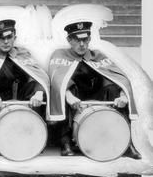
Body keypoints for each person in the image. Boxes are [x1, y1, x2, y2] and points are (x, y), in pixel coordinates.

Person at [48, 21, 140, 158]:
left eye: (85, 39)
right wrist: (68, 95)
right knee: (62, 91)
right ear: (69, 40)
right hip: (75, 98)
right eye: (77, 40)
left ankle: (126, 141)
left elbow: (118, 77)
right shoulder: (60, 55)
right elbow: (56, 79)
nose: (81, 44)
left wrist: (122, 95)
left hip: (97, 96)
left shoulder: (97, 56)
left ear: (90, 39)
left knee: (112, 89)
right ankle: (65, 141)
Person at [0, 19, 51, 152]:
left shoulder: (22, 53)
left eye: (9, 37)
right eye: (1, 38)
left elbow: (39, 75)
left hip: (20, 95)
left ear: (15, 37)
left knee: (36, 87)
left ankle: (36, 136)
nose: (6, 41)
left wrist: (39, 92)